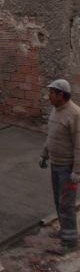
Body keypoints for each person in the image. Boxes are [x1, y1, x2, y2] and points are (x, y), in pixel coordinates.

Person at [39, 78, 80, 255]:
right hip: (55, 164)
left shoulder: (75, 114)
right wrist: (44, 154)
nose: (49, 96)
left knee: (67, 204)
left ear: (61, 95)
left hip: (67, 167)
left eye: (52, 93)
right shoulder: (55, 111)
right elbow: (52, 136)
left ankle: (70, 242)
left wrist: (77, 170)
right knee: (58, 200)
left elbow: (79, 145)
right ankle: (64, 232)